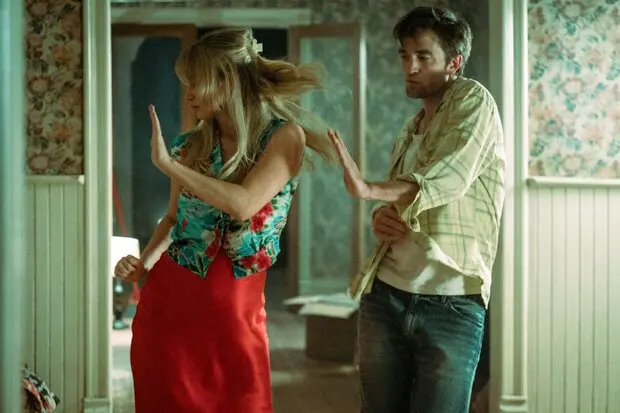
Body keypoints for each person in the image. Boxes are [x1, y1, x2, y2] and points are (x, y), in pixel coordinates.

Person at [113, 27, 335, 413]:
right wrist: (142, 264)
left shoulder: (285, 137)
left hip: (236, 315)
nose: (188, 94)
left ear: (227, 80)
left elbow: (243, 204)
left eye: (196, 83)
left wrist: (168, 166)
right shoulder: (189, 146)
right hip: (167, 308)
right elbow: (172, 219)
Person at [328, 6, 505, 413]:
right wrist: (381, 217)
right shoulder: (410, 130)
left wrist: (370, 189)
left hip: (451, 303)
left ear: (454, 63)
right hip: (385, 296)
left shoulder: (474, 99)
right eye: (404, 55)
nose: (410, 67)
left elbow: (449, 177)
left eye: (424, 56)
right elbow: (407, 202)